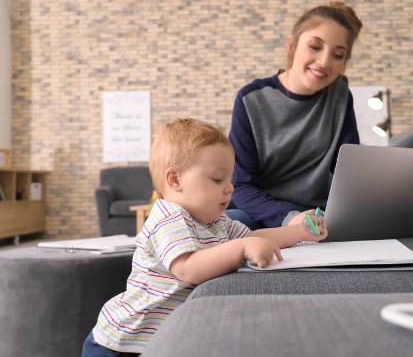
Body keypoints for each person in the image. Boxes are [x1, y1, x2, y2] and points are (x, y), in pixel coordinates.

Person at [82, 118, 327, 357]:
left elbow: (255, 236)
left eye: (230, 179)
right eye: (217, 179)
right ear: (175, 180)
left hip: (162, 338)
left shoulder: (216, 221)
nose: (230, 187)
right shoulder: (169, 218)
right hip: (122, 343)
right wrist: (241, 248)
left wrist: (299, 231)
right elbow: (189, 268)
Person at [227, 1, 362, 230]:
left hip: (317, 217)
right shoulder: (251, 99)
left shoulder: (340, 96)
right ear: (292, 46)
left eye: (338, 54)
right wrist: (290, 218)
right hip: (262, 214)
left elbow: (349, 172)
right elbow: (241, 185)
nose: (324, 61)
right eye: (315, 46)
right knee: (234, 223)